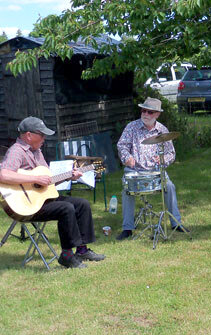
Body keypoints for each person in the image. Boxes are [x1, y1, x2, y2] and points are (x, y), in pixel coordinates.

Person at [0, 117, 105, 269]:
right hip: (26, 206)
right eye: (42, 134)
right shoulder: (17, 151)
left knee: (82, 204)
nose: (44, 138)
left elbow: (47, 182)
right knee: (66, 208)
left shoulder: (37, 152)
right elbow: (3, 175)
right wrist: (35, 178)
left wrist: (70, 176)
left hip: (42, 200)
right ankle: (67, 256)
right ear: (29, 135)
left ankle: (82, 250)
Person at [116, 97, 187, 240]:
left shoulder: (162, 130)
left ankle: (176, 223)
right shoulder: (131, 127)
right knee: (127, 190)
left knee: (170, 187)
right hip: (135, 169)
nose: (145, 114)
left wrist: (162, 161)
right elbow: (121, 145)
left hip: (155, 170)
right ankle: (127, 228)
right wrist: (127, 158)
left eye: (150, 112)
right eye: (143, 111)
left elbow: (170, 153)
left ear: (157, 114)